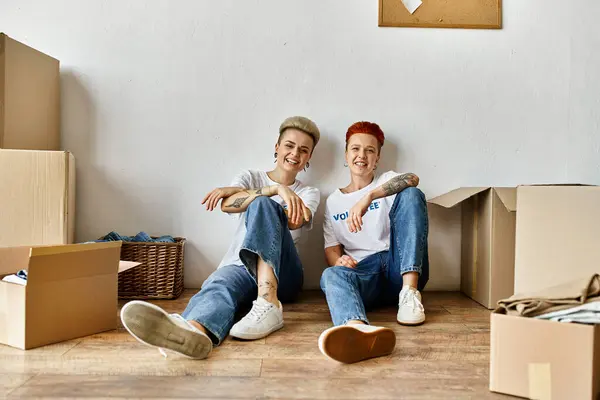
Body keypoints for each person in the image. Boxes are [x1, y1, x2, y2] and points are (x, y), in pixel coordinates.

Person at [120, 116, 321, 360]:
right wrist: (275, 189)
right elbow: (227, 205)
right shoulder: (251, 176)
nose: (295, 154)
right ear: (277, 147)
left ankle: (269, 302)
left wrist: (263, 199)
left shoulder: (309, 192)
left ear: (308, 158)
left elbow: (295, 220)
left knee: (264, 206)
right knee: (220, 285)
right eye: (289, 145)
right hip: (241, 265)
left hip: (284, 275)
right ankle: (194, 332)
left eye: (303, 150)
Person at [318, 121, 429, 364]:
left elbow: (413, 178)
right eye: (355, 149)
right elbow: (331, 247)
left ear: (377, 158)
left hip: (397, 265)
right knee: (330, 274)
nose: (362, 155)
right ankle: (358, 331)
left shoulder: (386, 181)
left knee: (411, 194)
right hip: (364, 272)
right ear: (346, 155)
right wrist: (339, 260)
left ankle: (409, 294)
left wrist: (370, 196)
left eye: (370, 150)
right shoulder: (333, 201)